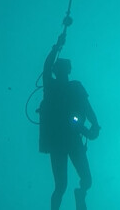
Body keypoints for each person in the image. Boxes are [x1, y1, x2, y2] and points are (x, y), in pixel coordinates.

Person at [39, 29, 100, 210]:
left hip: (73, 138)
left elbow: (88, 108)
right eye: (61, 69)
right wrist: (56, 47)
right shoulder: (51, 86)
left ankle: (80, 194)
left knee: (87, 180)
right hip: (58, 141)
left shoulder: (76, 87)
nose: (64, 71)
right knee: (60, 186)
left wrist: (95, 125)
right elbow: (46, 66)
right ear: (58, 71)